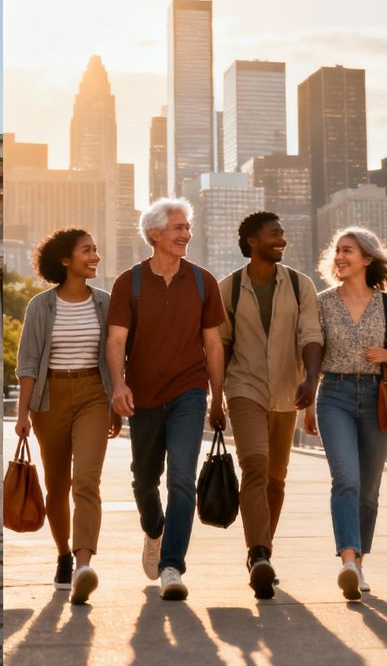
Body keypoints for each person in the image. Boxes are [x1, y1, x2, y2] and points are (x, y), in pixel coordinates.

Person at [106, 197, 226, 601]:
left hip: (189, 391)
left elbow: (213, 343)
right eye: (178, 227)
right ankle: (153, 529)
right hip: (142, 397)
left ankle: (172, 566)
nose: (186, 234)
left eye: (187, 227)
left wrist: (217, 396)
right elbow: (116, 340)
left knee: (181, 478)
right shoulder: (130, 282)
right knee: (144, 480)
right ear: (155, 234)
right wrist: (118, 386)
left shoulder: (202, 281)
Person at [216, 211, 323, 599]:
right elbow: (221, 347)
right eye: (274, 234)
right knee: (255, 466)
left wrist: (311, 379)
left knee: (276, 480)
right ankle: (258, 553)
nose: (282, 239)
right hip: (243, 389)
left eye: (283, 234)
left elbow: (311, 334)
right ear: (251, 241)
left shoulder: (299, 285)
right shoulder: (227, 288)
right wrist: (216, 399)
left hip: (286, 392)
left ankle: (264, 554)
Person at [15, 228, 121, 605]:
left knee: (87, 481)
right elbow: (27, 362)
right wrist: (23, 411)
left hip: (94, 394)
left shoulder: (106, 303)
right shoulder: (40, 306)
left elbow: (115, 355)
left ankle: (83, 565)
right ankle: (63, 553)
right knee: (57, 485)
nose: (95, 256)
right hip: (50, 399)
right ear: (65, 260)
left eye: (95, 249)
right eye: (87, 250)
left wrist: (115, 399)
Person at [310, 226, 387, 601]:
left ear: (367, 259)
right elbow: (314, 352)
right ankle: (347, 561)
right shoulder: (322, 303)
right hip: (333, 393)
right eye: (337, 250)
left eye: (348, 250)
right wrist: (307, 404)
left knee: (368, 490)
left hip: (375, 396)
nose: (340, 256)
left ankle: (360, 564)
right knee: (346, 480)